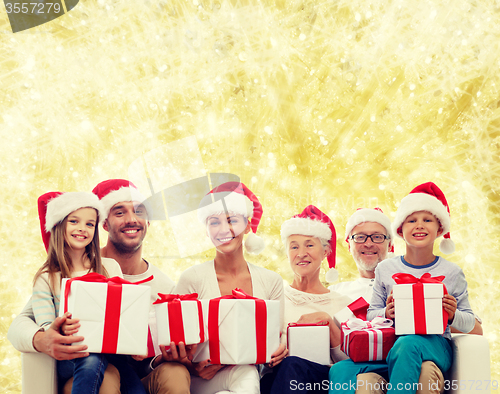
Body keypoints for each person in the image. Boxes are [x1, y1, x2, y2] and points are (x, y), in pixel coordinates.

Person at [329, 182, 476, 394]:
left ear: (439, 228)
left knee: (409, 344)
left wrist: (452, 316)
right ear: (400, 229)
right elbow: (372, 313)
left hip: (436, 346)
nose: (419, 225)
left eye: (427, 220)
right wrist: (386, 313)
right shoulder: (386, 269)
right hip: (392, 346)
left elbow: (470, 322)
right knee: (341, 369)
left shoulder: (452, 272)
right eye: (411, 220)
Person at [175, 181, 286, 394]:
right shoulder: (192, 279)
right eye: (214, 222)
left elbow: (278, 339)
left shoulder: (271, 281)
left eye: (232, 220)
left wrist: (281, 351)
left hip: (253, 378)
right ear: (206, 230)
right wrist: (194, 368)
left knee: (245, 373)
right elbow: (175, 341)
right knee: (245, 374)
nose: (224, 230)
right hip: (203, 380)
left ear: (247, 225)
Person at [92, 179, 193, 394]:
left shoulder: (165, 286)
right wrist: (41, 338)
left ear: (148, 221)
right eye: (119, 213)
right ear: (104, 223)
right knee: (106, 381)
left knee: (175, 373)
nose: (131, 220)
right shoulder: (83, 268)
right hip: (95, 373)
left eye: (139, 211)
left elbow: (150, 358)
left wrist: (161, 358)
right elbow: (27, 320)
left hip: (142, 378)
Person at [32, 191, 125, 394]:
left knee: (132, 384)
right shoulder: (46, 278)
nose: (82, 228)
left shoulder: (110, 268)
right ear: (59, 225)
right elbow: (46, 327)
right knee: (91, 358)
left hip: (112, 352)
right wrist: (60, 328)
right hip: (71, 355)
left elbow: (124, 312)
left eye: (90, 224)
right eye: (74, 221)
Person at [260, 205, 352, 394]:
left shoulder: (343, 303)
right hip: (276, 379)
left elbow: (348, 362)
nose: (301, 253)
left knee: (293, 365)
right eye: (294, 247)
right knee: (287, 366)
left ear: (325, 251)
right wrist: (271, 355)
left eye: (309, 245)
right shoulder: (273, 298)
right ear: (287, 254)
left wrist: (329, 323)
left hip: (322, 383)